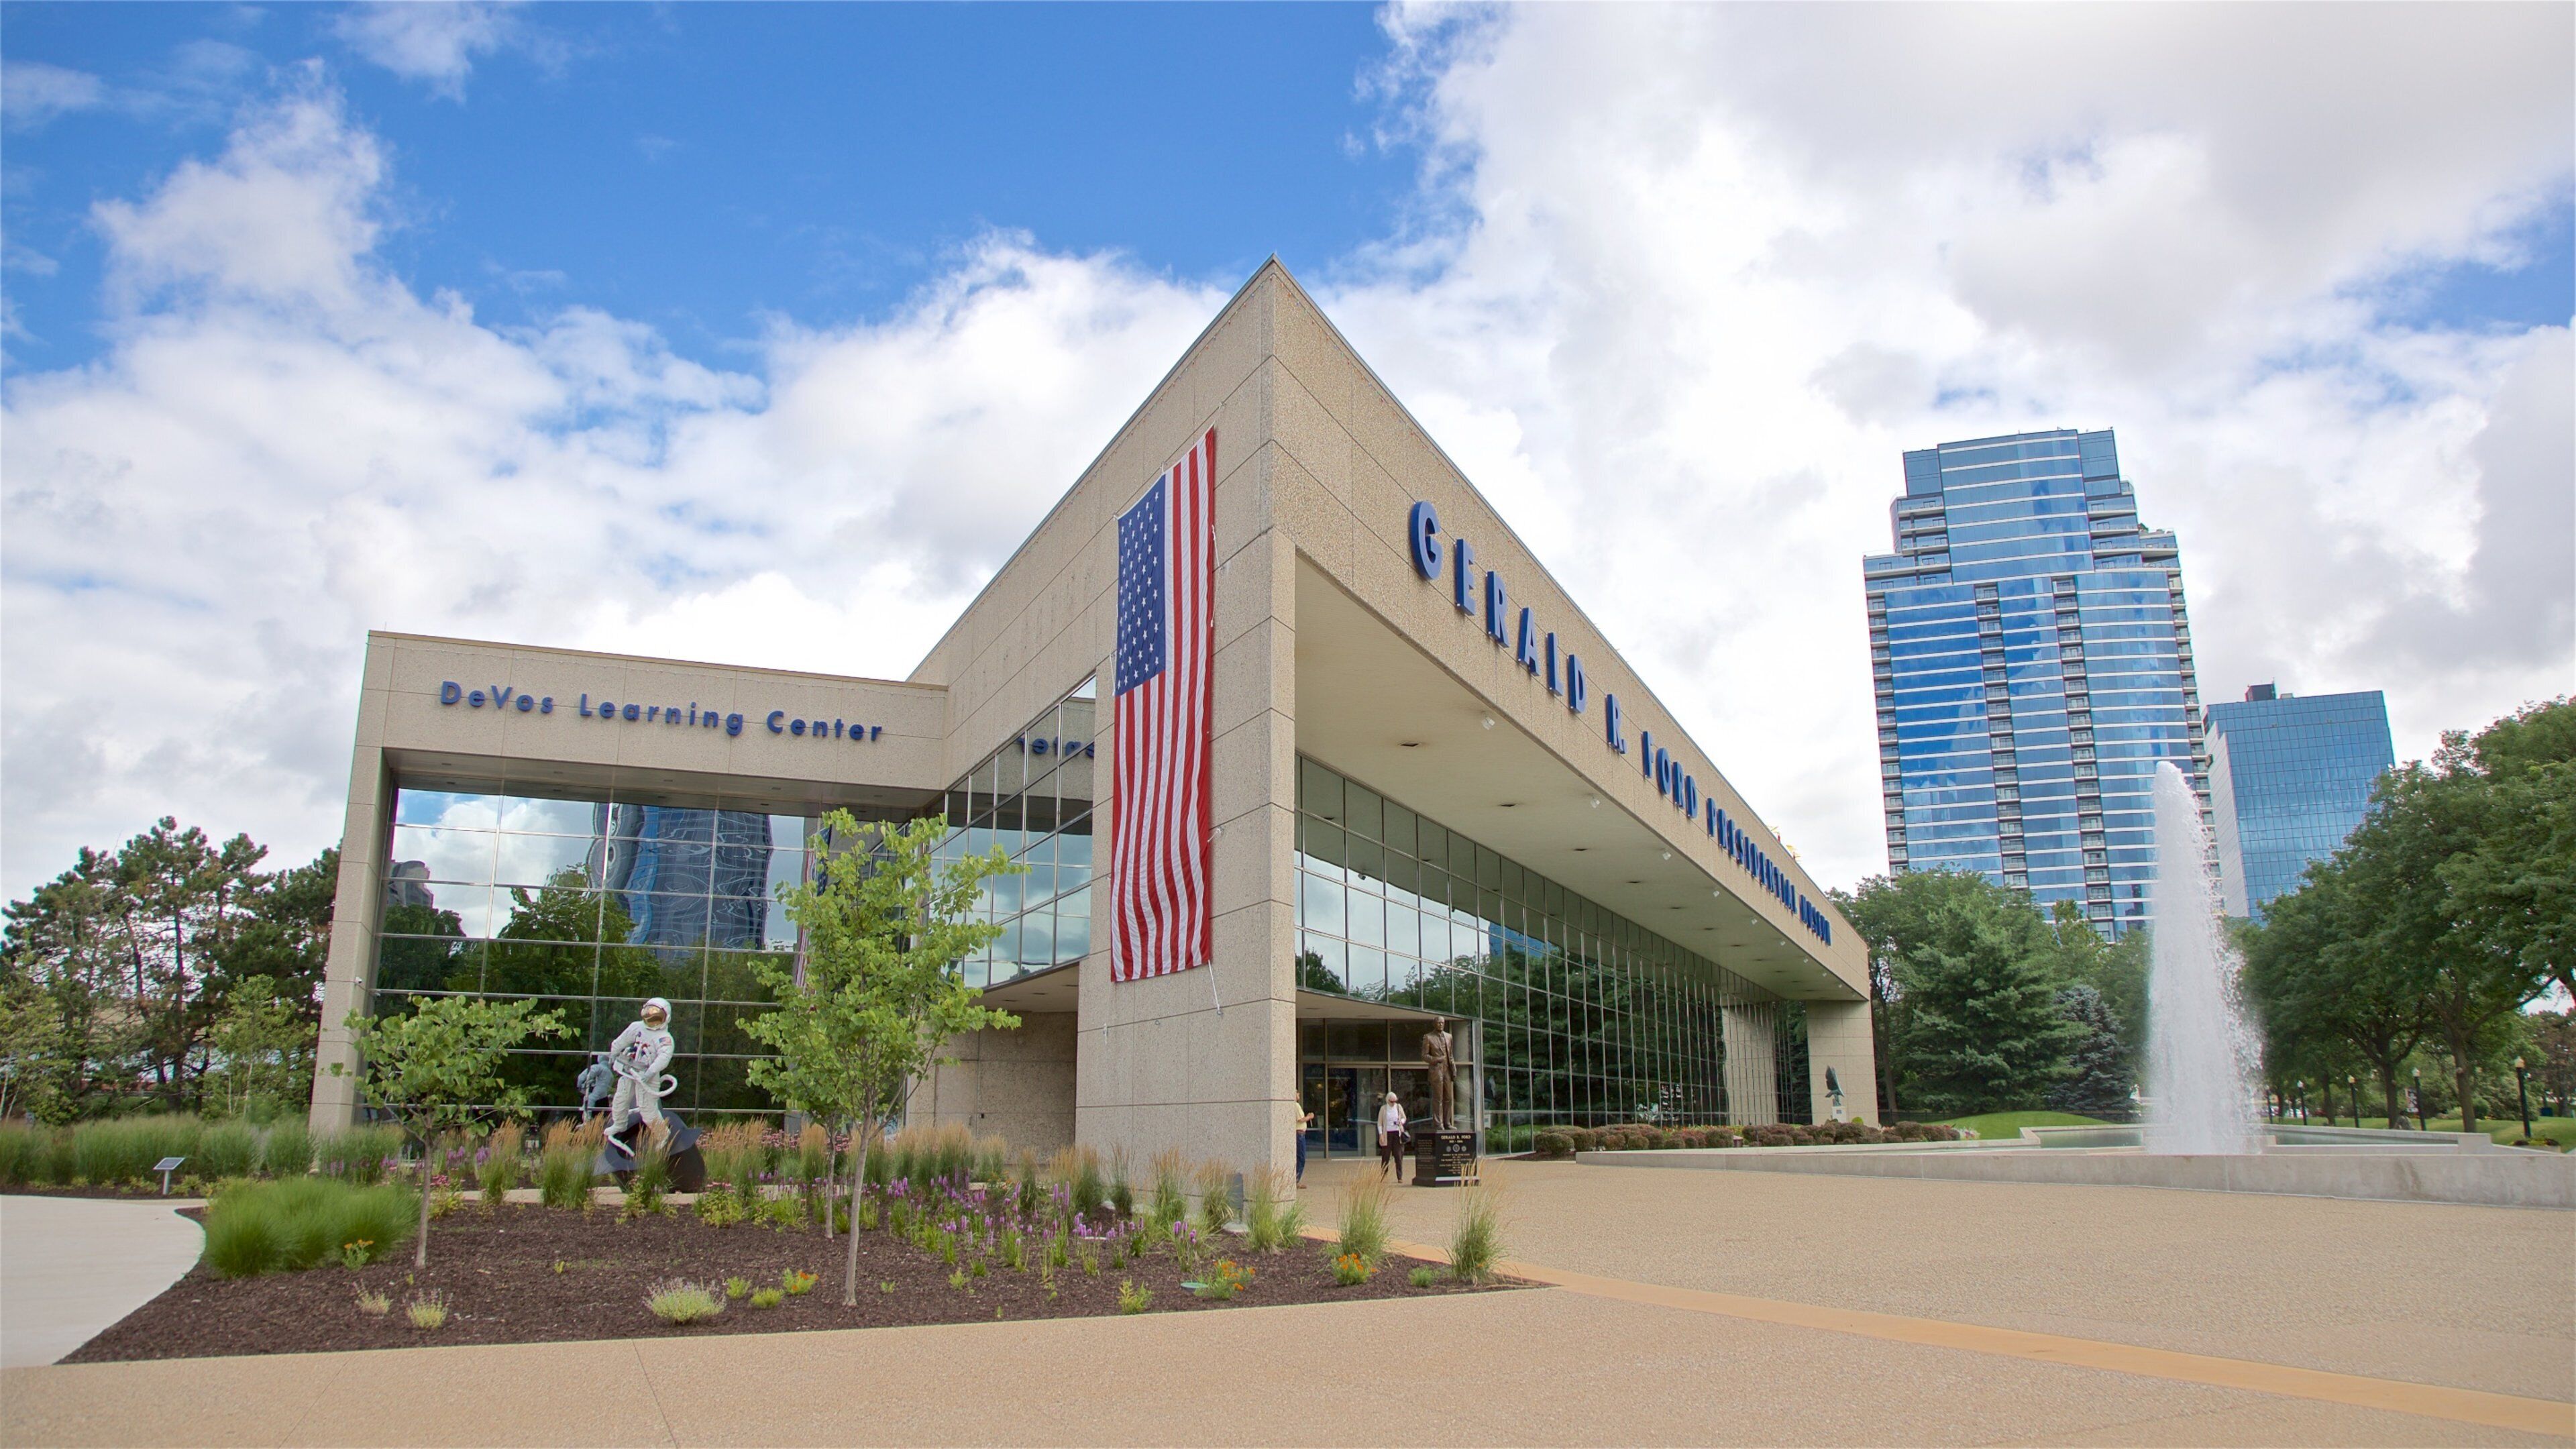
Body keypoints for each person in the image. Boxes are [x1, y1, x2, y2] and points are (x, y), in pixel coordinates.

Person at [606, 998, 677, 1150]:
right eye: (649, 1014)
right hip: (630, 1070)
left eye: (656, 1016)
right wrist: (614, 1052)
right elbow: (622, 1040)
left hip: (647, 1076)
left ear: (666, 1018)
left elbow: (663, 1058)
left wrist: (650, 1072)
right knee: (620, 1099)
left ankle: (663, 1135)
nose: (651, 1019)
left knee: (647, 1109)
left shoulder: (664, 1039)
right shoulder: (637, 1027)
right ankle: (619, 1124)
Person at [1377, 1091, 1409, 1182]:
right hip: (1387, 1134)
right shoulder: (1383, 1109)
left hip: (1397, 1134)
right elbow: (1380, 1123)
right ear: (1388, 1101)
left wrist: (1401, 1122)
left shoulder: (1399, 1107)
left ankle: (1400, 1177)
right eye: (1392, 1101)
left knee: (1398, 1156)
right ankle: (1383, 1176)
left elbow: (1404, 1117)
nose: (1393, 1103)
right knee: (1385, 1156)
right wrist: (1381, 1135)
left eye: (1395, 1101)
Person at [1293, 1102, 1315, 1186]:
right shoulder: (1296, 1105)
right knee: (1301, 1158)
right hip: (1299, 1135)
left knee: (1299, 1157)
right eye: (1297, 1093)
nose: (1299, 1094)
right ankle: (1296, 1180)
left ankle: (1296, 1179)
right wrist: (1309, 1117)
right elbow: (1300, 1119)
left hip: (1300, 1134)